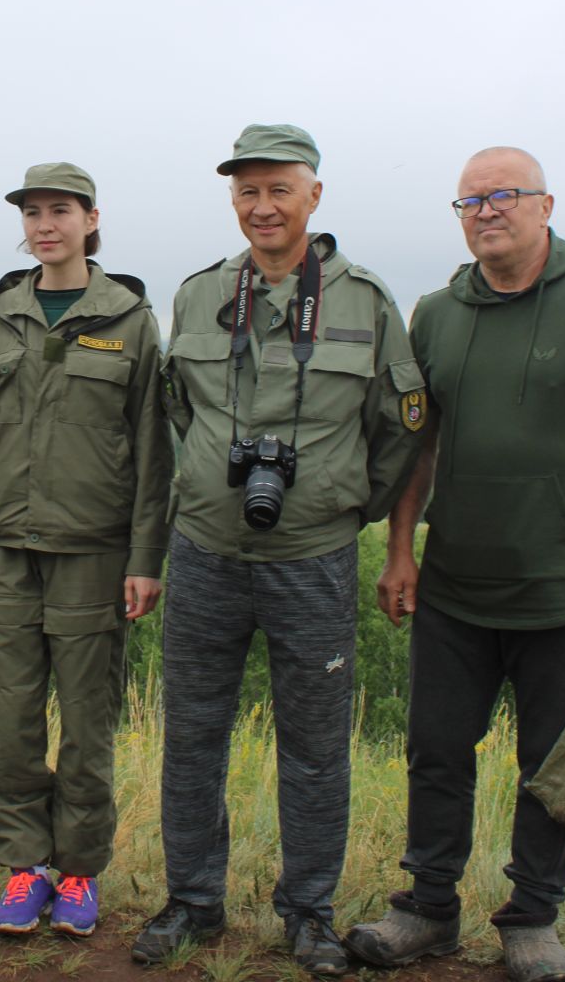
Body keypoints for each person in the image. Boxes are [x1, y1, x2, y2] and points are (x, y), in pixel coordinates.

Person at [344, 147, 565, 982]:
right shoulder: (438, 311)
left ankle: (532, 919)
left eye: (504, 196)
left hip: (563, 588)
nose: (486, 211)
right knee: (435, 750)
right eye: (469, 201)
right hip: (455, 585)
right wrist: (400, 550)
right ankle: (426, 908)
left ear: (545, 205)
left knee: (551, 764)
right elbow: (417, 442)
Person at [131, 123, 426, 974]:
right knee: (191, 737)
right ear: (233, 200)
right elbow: (177, 414)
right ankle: (192, 899)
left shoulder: (364, 301)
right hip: (206, 553)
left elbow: (400, 428)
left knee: (315, 748)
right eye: (247, 191)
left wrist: (341, 504)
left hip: (314, 562)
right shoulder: (194, 296)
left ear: (314, 196)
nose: (263, 207)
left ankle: (308, 913)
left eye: (279, 190)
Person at [0, 162, 171, 940]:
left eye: (60, 210)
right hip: (1, 551)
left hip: (93, 556)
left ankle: (77, 871)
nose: (45, 224)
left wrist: (145, 558)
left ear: (90, 219)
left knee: (88, 725)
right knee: (7, 723)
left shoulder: (130, 318)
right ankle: (24, 867)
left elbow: (149, 450)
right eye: (33, 212)